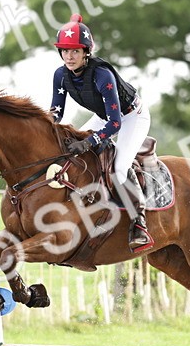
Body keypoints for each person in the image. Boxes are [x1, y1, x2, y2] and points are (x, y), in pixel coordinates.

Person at [50, 13, 153, 252]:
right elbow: (56, 113)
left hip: (131, 116)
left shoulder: (102, 74)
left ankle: (140, 222)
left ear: (86, 51)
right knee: (73, 152)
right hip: (104, 115)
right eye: (65, 51)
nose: (69, 56)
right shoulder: (60, 75)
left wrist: (88, 142)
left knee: (118, 168)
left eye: (75, 51)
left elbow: (115, 123)